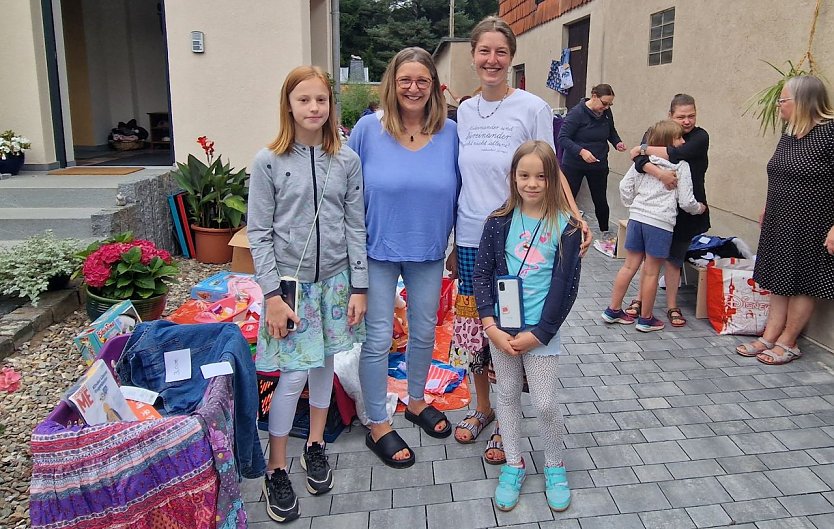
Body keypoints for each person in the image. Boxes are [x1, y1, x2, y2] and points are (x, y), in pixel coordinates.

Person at [450, 15, 590, 466]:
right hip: (473, 236)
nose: (492, 60)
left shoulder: (532, 107)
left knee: (519, 322)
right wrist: (452, 241)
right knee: (478, 331)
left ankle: (510, 422)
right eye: (484, 51)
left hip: (519, 238)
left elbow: (548, 166)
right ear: (473, 56)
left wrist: (574, 214)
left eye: (501, 52)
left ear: (511, 58)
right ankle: (484, 409)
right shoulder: (465, 111)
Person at [248, 65, 368, 523]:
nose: (314, 108)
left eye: (322, 100)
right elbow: (258, 233)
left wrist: (360, 285)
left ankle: (315, 444)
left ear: (330, 105)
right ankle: (275, 466)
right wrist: (272, 295)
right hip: (291, 290)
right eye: (305, 100)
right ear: (289, 105)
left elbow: (356, 224)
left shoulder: (347, 161)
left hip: (336, 284)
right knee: (293, 376)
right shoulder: (268, 162)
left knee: (323, 368)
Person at [348, 47, 459, 467]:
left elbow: (462, 191)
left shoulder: (450, 133)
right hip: (376, 252)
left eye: (422, 81)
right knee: (377, 339)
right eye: (405, 80)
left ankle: (414, 401)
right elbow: (347, 193)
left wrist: (455, 248)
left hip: (428, 250)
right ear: (392, 84)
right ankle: (377, 421)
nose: (413, 88)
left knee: (425, 331)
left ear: (434, 87)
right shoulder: (367, 130)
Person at [472, 140, 582, 512]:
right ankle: (514, 463)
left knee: (546, 402)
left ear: (552, 178)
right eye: (524, 175)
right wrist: (490, 325)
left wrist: (540, 333)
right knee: (505, 398)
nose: (532, 183)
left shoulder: (566, 226)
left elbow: (567, 287)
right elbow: (482, 273)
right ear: (513, 177)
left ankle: (554, 464)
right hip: (502, 331)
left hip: (541, 333)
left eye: (540, 175)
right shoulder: (498, 221)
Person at [737, 75, 834, 364]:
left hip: (813, 224)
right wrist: (768, 206)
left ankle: (788, 342)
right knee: (778, 279)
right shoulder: (789, 133)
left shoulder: (830, 133)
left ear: (803, 101)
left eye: (783, 99)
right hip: (781, 219)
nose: (778, 104)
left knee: (804, 282)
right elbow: (778, 173)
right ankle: (770, 335)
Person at [602, 120, 706, 332]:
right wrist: (699, 209)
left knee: (629, 266)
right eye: (678, 137)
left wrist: (632, 204)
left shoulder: (642, 161)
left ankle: (612, 310)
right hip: (660, 223)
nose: (683, 141)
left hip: (637, 219)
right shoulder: (681, 165)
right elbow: (686, 201)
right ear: (667, 141)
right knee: (650, 272)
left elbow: (625, 186)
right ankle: (646, 318)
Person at [627, 94, 710, 327]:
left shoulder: (700, 137)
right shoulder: (657, 132)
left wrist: (643, 148)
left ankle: (672, 305)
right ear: (670, 115)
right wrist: (660, 173)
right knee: (649, 259)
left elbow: (677, 154)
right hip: (657, 210)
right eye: (681, 116)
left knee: (674, 259)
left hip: (688, 207)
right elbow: (639, 163)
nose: (687, 121)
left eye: (691, 115)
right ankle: (639, 299)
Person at [557, 83, 627, 237]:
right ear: (594, 96)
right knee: (568, 198)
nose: (607, 107)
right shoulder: (577, 113)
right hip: (574, 165)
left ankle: (604, 231)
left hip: (598, 164)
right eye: (604, 103)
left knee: (600, 199)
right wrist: (581, 151)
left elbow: (611, 132)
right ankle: (560, 228)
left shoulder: (606, 113)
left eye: (610, 104)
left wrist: (617, 142)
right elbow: (562, 138)